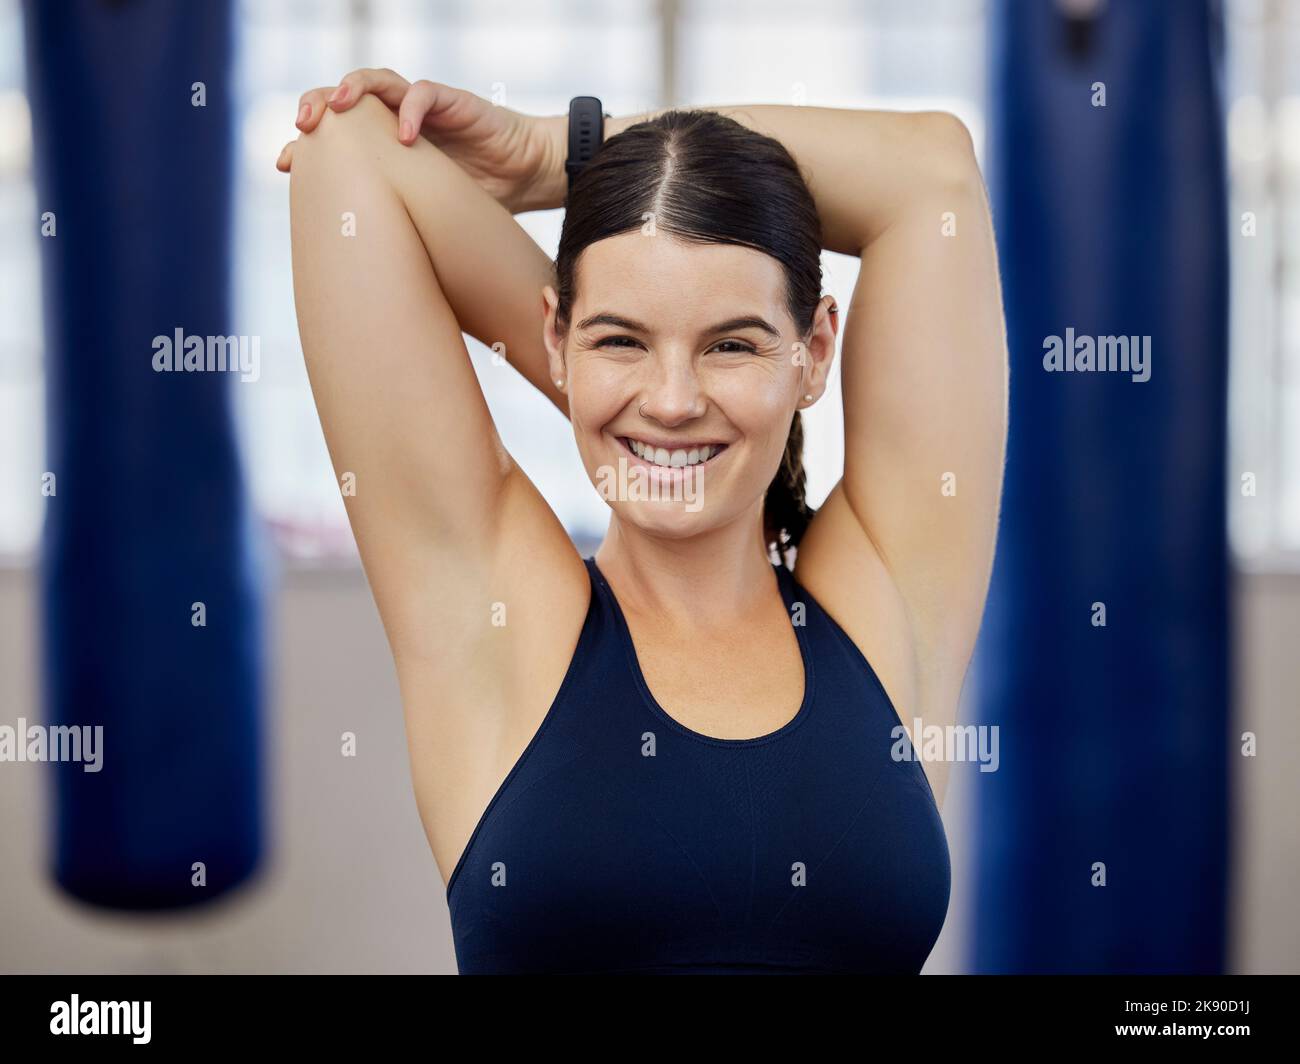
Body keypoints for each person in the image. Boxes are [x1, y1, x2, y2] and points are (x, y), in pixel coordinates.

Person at [279, 70, 1007, 974]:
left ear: (815, 352)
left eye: (731, 344)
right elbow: (345, 151)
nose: (671, 399)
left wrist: (565, 153)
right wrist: (634, 405)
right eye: (620, 338)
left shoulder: (881, 599)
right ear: (556, 337)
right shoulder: (501, 619)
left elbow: (933, 174)